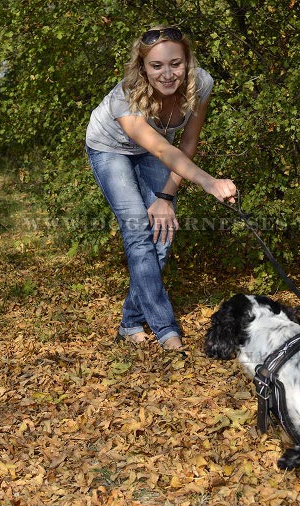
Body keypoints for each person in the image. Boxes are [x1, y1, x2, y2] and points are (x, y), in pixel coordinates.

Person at [85, 25, 236, 350]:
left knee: (162, 235)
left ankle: (130, 322)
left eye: (175, 63)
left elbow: (188, 142)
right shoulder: (125, 96)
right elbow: (162, 150)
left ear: (187, 61)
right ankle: (167, 329)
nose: (168, 74)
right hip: (110, 148)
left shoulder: (202, 83)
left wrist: (167, 197)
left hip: (160, 150)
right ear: (143, 68)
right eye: (157, 66)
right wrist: (209, 182)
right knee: (138, 231)